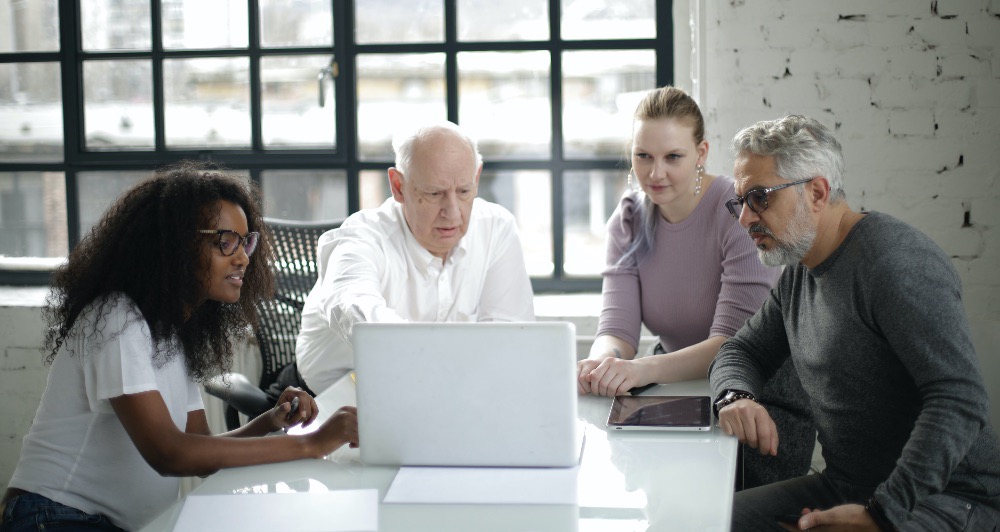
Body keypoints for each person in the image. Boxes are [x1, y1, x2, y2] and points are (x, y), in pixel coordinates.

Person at [0, 163, 359, 532]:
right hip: (52, 516)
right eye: (226, 241)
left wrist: (270, 422)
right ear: (176, 244)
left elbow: (200, 452)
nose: (243, 258)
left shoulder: (170, 333)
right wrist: (313, 443)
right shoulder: (116, 318)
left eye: (245, 241)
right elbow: (169, 453)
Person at [710, 115, 1000, 531]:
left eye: (759, 198)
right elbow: (742, 350)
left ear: (816, 192)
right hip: (849, 486)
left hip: (948, 499)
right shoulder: (800, 270)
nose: (744, 219)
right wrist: (735, 396)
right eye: (739, 202)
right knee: (708, 519)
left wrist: (882, 514)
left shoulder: (895, 263)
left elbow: (960, 398)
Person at [576, 86, 815, 489]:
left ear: (701, 153)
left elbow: (731, 345)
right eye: (643, 156)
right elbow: (617, 331)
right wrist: (604, 364)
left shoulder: (735, 211)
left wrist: (635, 371)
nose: (655, 173)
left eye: (673, 157)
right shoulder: (630, 218)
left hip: (754, 396)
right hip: (676, 390)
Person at [295, 120, 535, 394]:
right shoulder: (361, 237)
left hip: (437, 394)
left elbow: (509, 337)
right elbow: (351, 306)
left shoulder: (496, 227)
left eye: (464, 191)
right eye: (434, 194)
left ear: (477, 178)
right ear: (398, 186)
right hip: (330, 401)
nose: (453, 213)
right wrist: (435, 359)